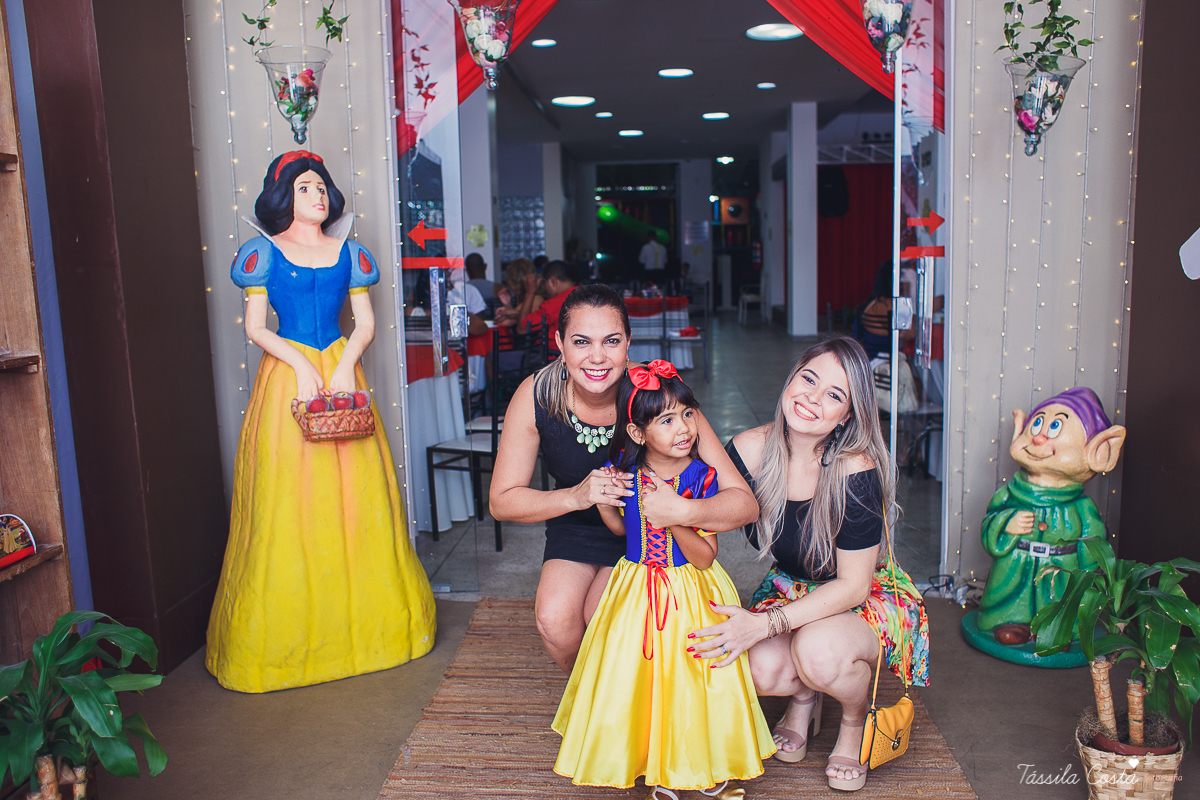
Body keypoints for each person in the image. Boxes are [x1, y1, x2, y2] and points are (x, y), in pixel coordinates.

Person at [207, 151, 436, 693]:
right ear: (284, 195)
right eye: (307, 187)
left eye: (322, 187)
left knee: (360, 498)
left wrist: (344, 365)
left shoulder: (350, 254)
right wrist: (302, 365)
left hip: (340, 369)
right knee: (287, 498)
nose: (318, 196)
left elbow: (367, 324)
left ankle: (377, 633)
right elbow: (257, 328)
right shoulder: (261, 254)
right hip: (290, 375)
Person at [690, 336, 929, 792]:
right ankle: (805, 698)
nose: (813, 398)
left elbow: (853, 586)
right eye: (809, 379)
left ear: (849, 414)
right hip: (790, 587)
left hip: (863, 595)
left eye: (834, 395)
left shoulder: (853, 469)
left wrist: (764, 625)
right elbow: (695, 506)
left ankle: (853, 721)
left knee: (818, 653)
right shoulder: (749, 449)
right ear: (792, 376)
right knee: (753, 668)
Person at [489, 284, 759, 676]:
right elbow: (502, 501)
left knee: (605, 616)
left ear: (628, 343)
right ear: (560, 344)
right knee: (556, 622)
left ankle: (624, 704)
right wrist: (577, 496)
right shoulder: (537, 396)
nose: (597, 357)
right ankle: (591, 702)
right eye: (581, 341)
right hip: (577, 526)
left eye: (611, 341)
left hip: (649, 535)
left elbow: (744, 503)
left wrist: (681, 510)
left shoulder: (657, 395)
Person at [553, 360, 774, 798]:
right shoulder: (628, 471)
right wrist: (603, 502)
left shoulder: (703, 477)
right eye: (667, 420)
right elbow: (623, 531)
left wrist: (673, 516)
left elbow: (706, 557)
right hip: (635, 589)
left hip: (690, 590)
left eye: (688, 414)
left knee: (693, 679)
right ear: (638, 433)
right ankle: (655, 764)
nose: (685, 428)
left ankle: (701, 764)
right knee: (642, 678)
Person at [516, 259, 578, 350]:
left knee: (492, 356)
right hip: (578, 354)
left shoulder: (552, 305)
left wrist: (530, 292)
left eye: (544, 282)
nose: (544, 287)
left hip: (551, 357)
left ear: (553, 282)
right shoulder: (587, 296)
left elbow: (522, 330)